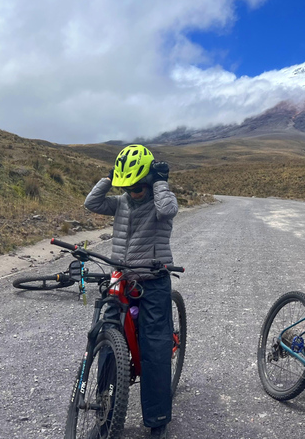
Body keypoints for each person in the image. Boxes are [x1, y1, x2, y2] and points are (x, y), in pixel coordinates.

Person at [84, 144, 178, 439]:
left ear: (148, 181)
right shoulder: (122, 201)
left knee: (154, 348)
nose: (132, 192)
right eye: (128, 186)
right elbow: (92, 203)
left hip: (153, 280)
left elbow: (167, 209)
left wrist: (160, 180)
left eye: (137, 186)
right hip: (122, 279)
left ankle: (157, 419)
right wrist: (111, 179)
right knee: (107, 340)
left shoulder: (161, 200)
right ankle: (106, 415)